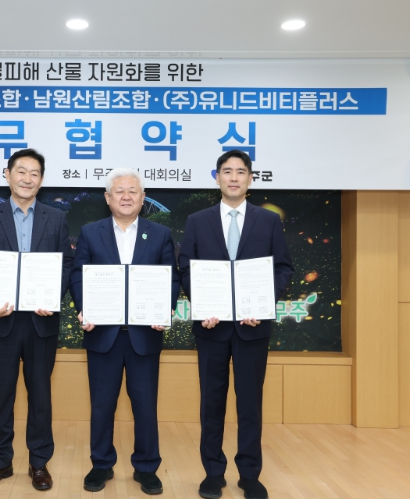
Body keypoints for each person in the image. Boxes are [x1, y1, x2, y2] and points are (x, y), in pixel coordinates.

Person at [178, 150, 294, 499]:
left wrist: (262, 304)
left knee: (250, 404)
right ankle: (213, 473)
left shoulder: (268, 221)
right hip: (211, 328)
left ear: (250, 179)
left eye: (240, 172)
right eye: (226, 171)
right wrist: (202, 304)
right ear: (216, 178)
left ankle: (249, 474)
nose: (233, 177)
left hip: (252, 327)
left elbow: (283, 268)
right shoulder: (198, 220)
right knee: (211, 403)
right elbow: (186, 268)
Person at [69, 168, 180, 495]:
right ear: (108, 198)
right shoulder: (91, 232)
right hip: (102, 334)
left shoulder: (159, 233)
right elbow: (78, 275)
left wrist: (164, 309)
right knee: (102, 405)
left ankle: (146, 467)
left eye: (133, 191)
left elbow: (171, 277)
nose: (127, 196)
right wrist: (84, 307)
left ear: (143, 198)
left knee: (145, 406)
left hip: (144, 335)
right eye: (120, 191)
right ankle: (101, 463)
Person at [0, 148, 73, 491]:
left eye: (35, 173)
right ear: (8, 175)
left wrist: (51, 298)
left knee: (40, 395)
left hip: (41, 322)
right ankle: (0, 461)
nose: (27, 179)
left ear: (41, 180)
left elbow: (65, 264)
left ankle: (39, 463)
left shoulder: (56, 218)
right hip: (1, 320)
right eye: (21, 171)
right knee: (1, 395)